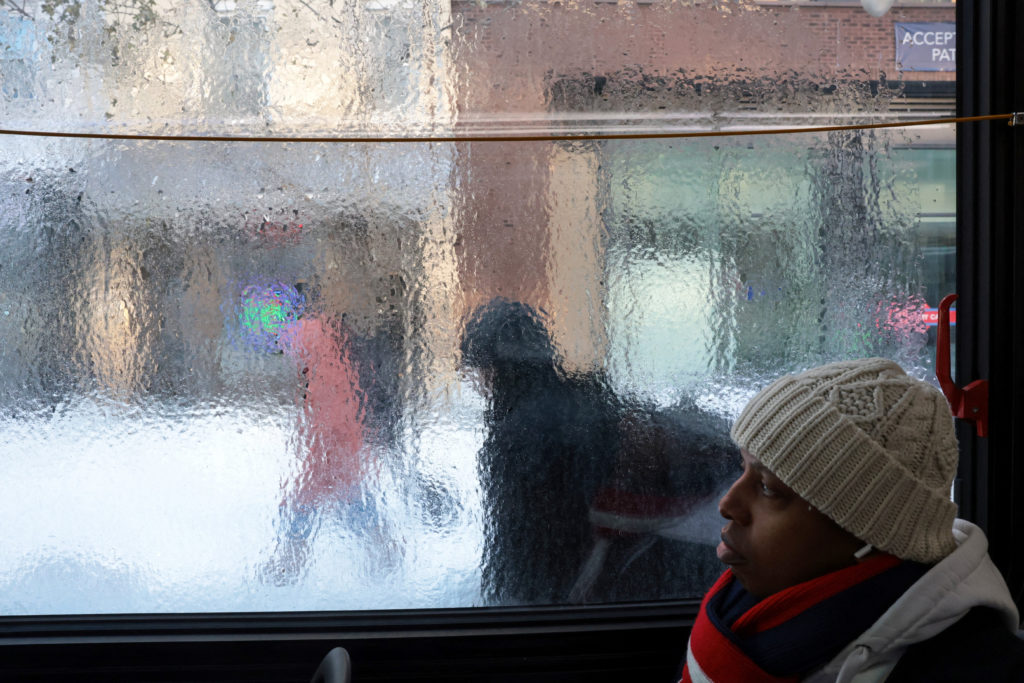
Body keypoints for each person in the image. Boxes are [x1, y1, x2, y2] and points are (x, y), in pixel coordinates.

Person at [681, 358, 1024, 682]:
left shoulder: (970, 668)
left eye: (769, 488)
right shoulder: (747, 609)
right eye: (743, 469)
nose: (727, 504)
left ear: (867, 529)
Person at [460, 297, 622, 605]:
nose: (478, 383)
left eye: (480, 369)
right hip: (594, 576)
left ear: (499, 367)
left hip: (546, 596)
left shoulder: (516, 435)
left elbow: (513, 540)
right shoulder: (585, 402)